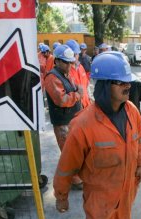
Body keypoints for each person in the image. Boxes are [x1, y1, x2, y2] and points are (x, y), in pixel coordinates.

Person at [53, 51, 141, 219]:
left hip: (125, 192)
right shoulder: (83, 125)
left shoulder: (132, 111)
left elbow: (137, 141)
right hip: (100, 200)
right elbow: (66, 167)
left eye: (128, 82)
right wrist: (61, 195)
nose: (127, 87)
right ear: (104, 86)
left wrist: (139, 163)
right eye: (120, 82)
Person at [44, 45, 84, 190]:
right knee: (69, 153)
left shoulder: (66, 74)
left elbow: (74, 89)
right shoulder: (52, 77)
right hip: (62, 123)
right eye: (66, 62)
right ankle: (74, 179)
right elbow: (62, 100)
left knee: (76, 151)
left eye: (71, 62)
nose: (69, 65)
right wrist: (78, 94)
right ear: (57, 61)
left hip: (72, 120)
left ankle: (77, 175)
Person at [66, 39, 91, 108]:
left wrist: (89, 97)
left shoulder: (81, 67)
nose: (74, 56)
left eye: (76, 54)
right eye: (72, 54)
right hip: (75, 107)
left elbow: (86, 85)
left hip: (86, 104)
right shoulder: (65, 71)